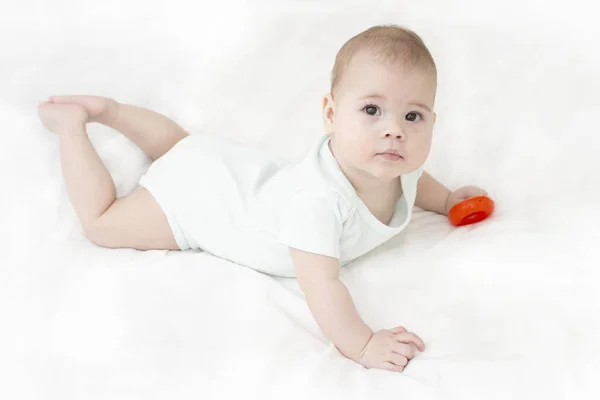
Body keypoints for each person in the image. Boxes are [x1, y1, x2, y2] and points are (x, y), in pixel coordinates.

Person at [37, 25, 488, 373]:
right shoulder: (318, 202)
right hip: (205, 208)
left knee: (183, 147)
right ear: (331, 113)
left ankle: (112, 112)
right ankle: (76, 125)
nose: (395, 129)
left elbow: (416, 180)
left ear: (432, 121)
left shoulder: (394, 162)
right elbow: (321, 286)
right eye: (372, 110)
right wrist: (364, 344)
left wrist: (448, 199)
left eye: (414, 116)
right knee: (103, 223)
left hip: (231, 170)